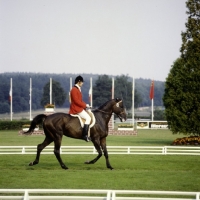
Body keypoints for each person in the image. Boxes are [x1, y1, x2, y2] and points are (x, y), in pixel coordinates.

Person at [69, 75, 91, 142]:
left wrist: (85, 105)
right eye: (82, 82)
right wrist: (85, 105)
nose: (82, 83)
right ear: (79, 82)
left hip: (79, 107)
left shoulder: (77, 89)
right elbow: (76, 101)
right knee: (88, 118)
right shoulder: (74, 90)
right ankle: (84, 135)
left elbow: (80, 101)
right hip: (76, 109)